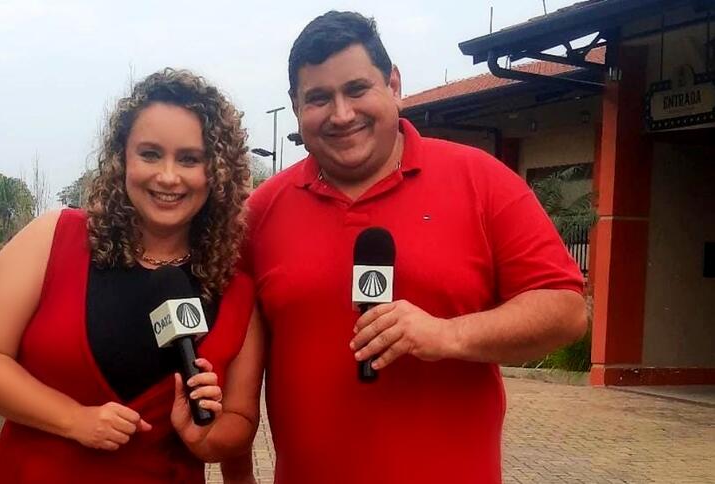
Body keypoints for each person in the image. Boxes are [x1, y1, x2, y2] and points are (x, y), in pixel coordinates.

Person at [236, 11, 588, 484]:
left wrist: (448, 335)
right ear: (296, 107)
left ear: (394, 84)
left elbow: (566, 310)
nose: (341, 114)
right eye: (319, 98)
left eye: (357, 89)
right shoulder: (262, 212)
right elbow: (230, 355)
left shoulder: (480, 181)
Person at [0, 68, 264, 483]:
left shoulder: (237, 289)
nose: (168, 176)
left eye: (190, 158)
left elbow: (240, 424)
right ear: (123, 158)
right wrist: (72, 419)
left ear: (218, 171)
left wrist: (204, 437)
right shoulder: (53, 239)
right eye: (150, 154)